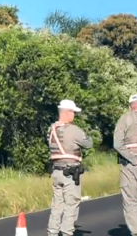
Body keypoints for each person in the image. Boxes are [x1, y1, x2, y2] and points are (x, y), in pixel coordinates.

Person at [47, 99, 93, 236]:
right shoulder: (74, 130)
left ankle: (52, 231)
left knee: (57, 204)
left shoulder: (51, 129)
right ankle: (67, 232)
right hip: (70, 172)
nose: (74, 115)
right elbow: (88, 143)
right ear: (67, 113)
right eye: (73, 112)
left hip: (56, 171)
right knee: (71, 203)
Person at [114, 94, 137, 236]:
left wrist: (136, 160)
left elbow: (118, 144)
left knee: (131, 202)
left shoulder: (125, 118)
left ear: (131, 105)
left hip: (130, 165)